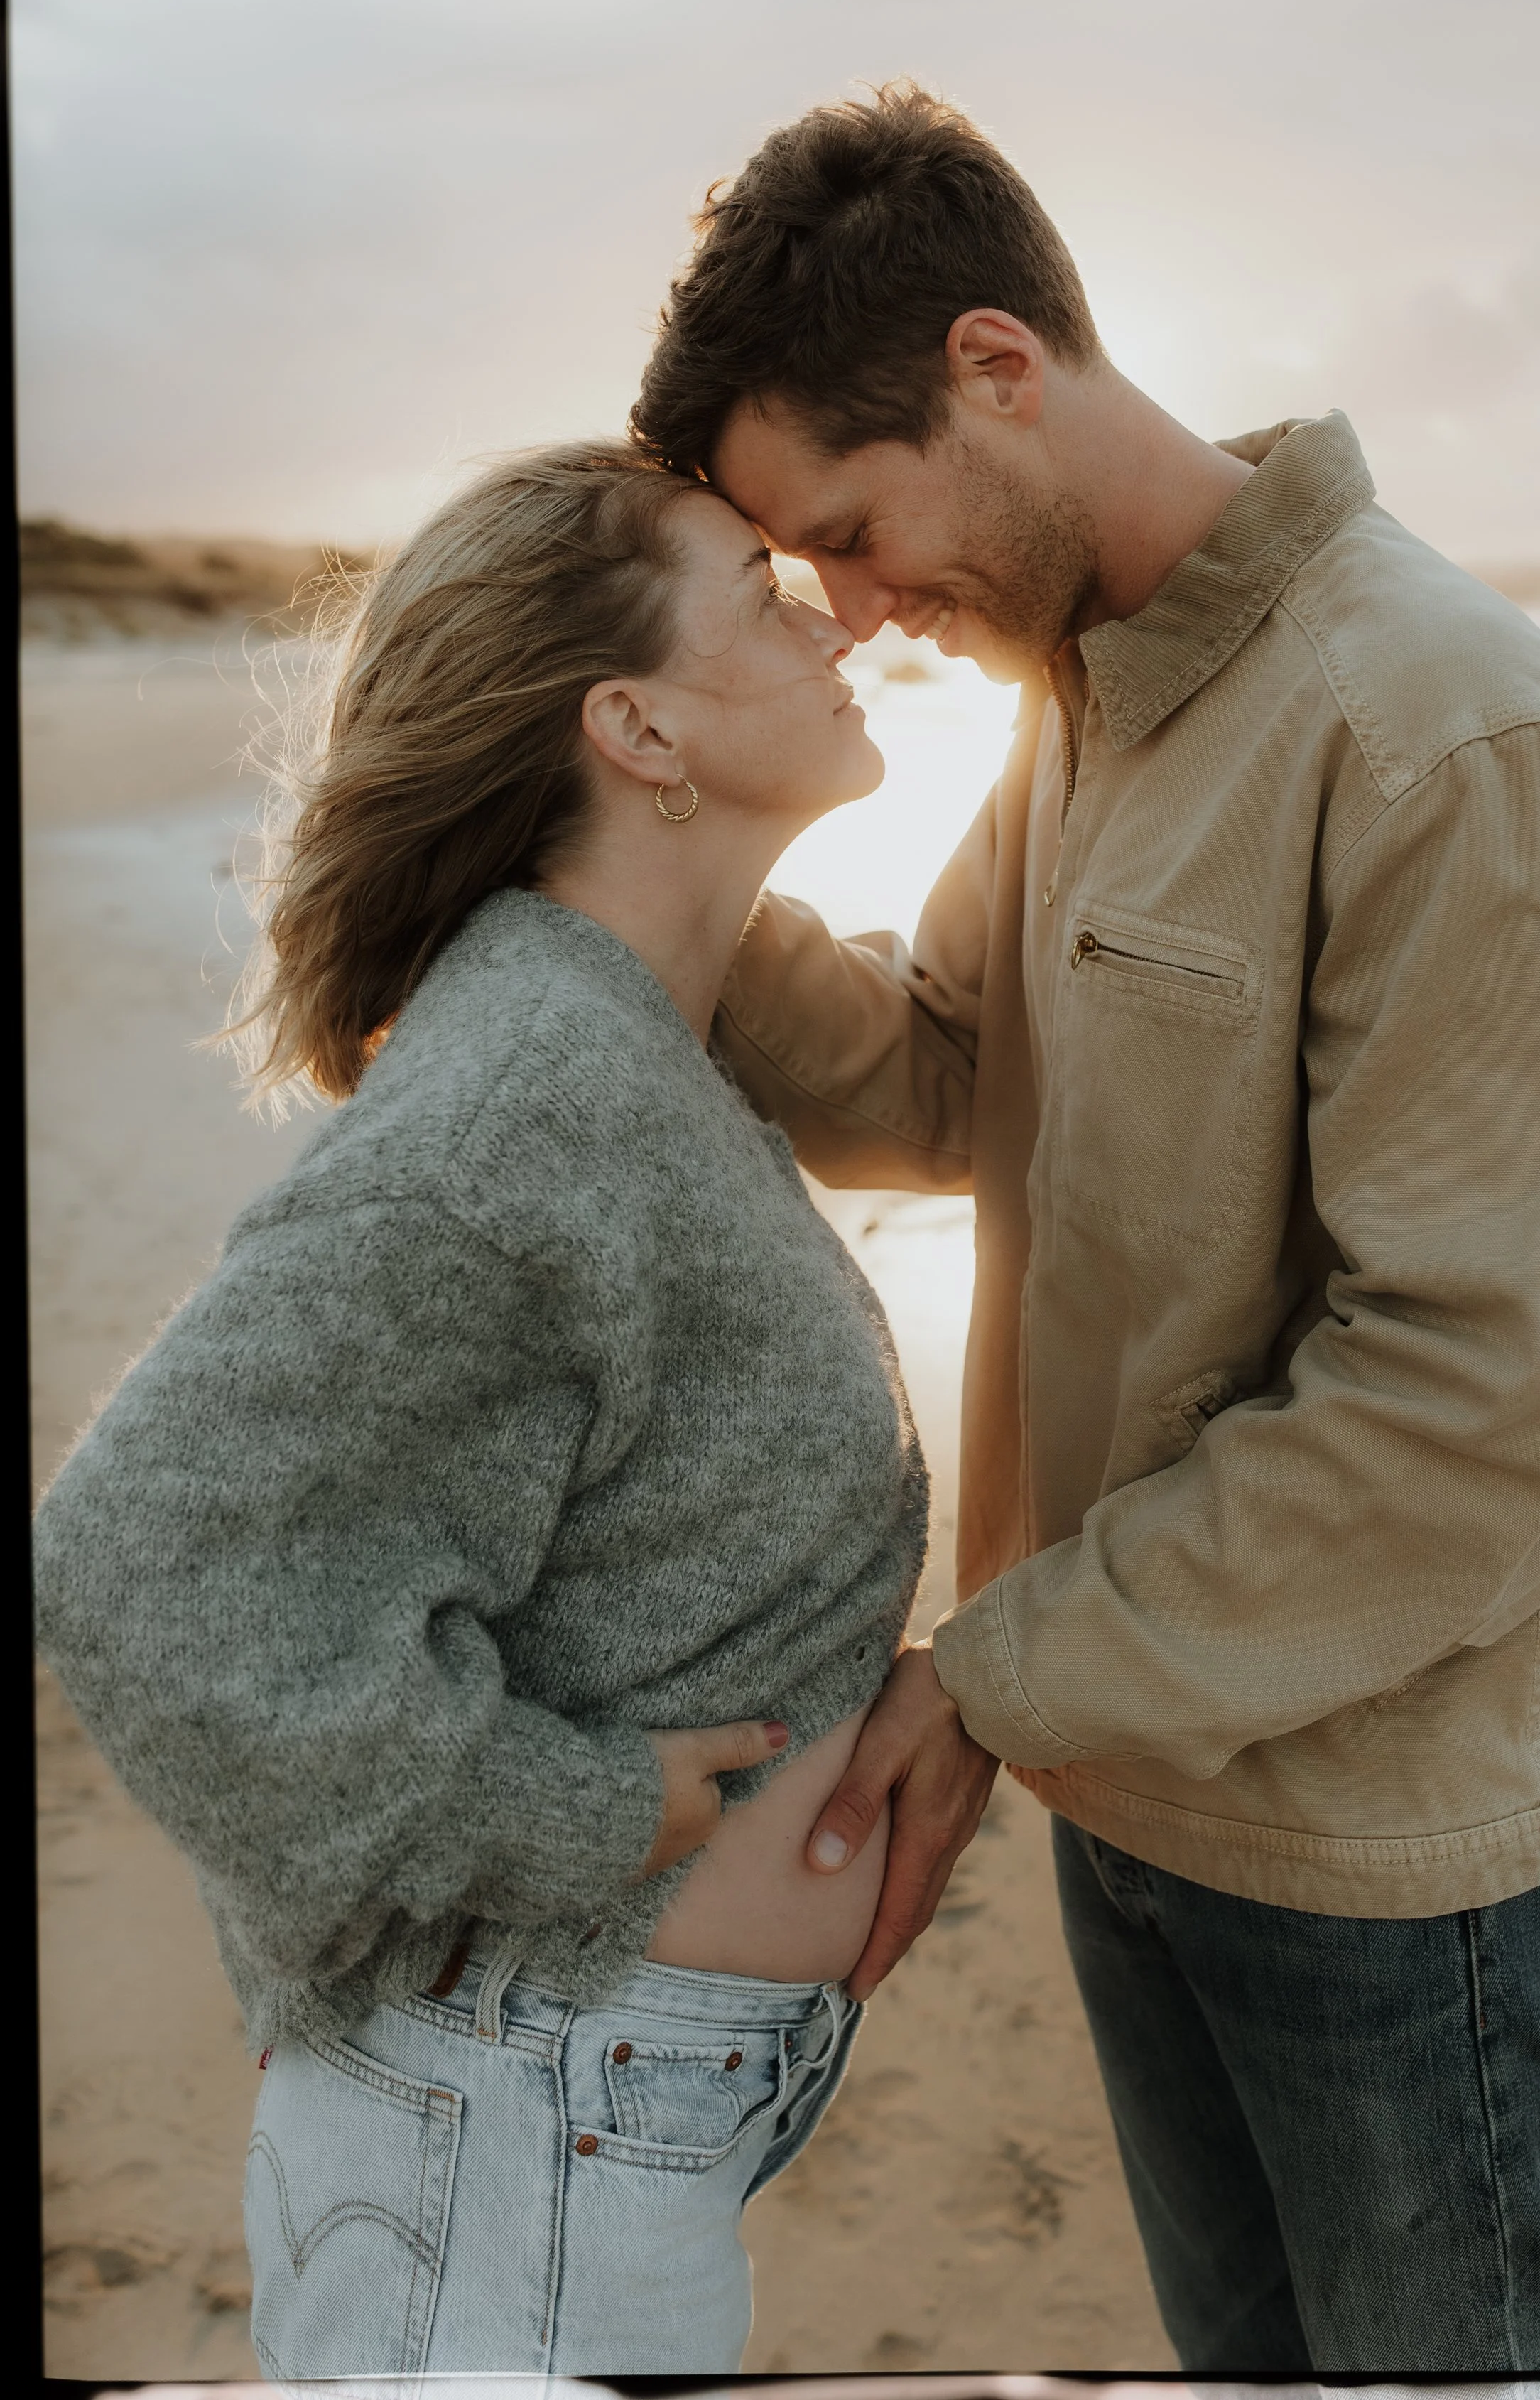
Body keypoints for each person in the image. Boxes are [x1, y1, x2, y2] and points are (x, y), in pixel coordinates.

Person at [627, 83, 1540, 2372]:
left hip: (1384, 1859)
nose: (853, 612)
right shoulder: (1087, 690)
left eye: (849, 529)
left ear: (997, 367)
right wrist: (664, 883)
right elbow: (955, 1066)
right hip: (1123, 1768)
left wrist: (995, 1667)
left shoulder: (1443, 734)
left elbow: (1453, 1418)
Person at [31, 443, 934, 2379]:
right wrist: (556, 1809)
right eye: (765, 592)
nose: (836, 612)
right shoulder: (537, 1079)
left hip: (547, 2119)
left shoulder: (618, 1039)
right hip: (505, 2131)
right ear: (638, 725)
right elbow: (137, 1562)